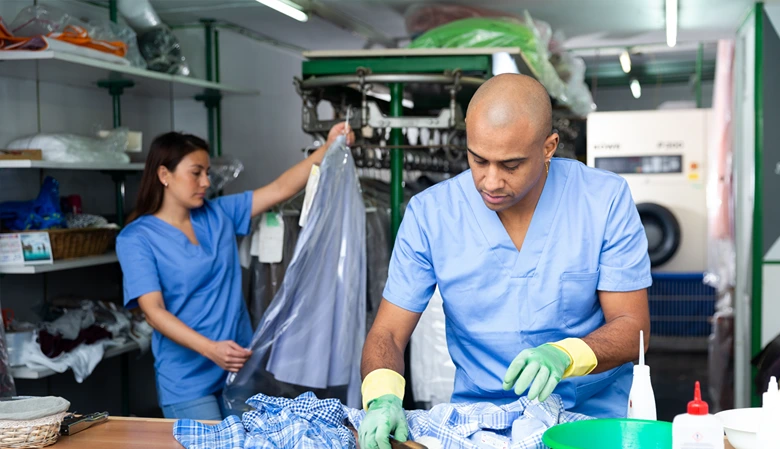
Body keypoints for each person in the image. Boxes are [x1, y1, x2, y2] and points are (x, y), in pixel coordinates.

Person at [357, 74, 651, 449]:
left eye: (510, 165)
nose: (490, 181)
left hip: (592, 418)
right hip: (480, 423)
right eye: (478, 160)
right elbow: (389, 333)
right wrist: (382, 396)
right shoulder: (431, 214)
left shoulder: (603, 200)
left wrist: (566, 354)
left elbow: (633, 327)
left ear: (549, 147)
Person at [116, 122, 354, 420]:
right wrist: (210, 349)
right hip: (187, 380)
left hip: (240, 369)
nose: (205, 182)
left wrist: (328, 147)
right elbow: (153, 311)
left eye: (207, 173)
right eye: (196, 173)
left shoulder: (218, 214)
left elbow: (280, 189)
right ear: (164, 175)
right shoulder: (137, 238)